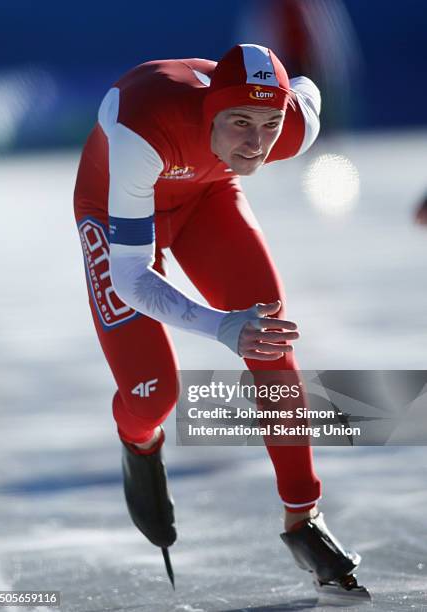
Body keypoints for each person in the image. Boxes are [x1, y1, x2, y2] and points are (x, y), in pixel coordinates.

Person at [74, 44, 369, 600]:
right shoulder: (144, 125)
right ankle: (138, 442)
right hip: (115, 209)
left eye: (268, 124)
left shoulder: (291, 126)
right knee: (152, 395)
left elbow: (308, 85)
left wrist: (243, 329)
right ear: (209, 111)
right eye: (239, 123)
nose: (257, 143)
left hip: (207, 196)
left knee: (270, 343)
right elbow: (131, 279)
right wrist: (220, 326)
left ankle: (303, 518)